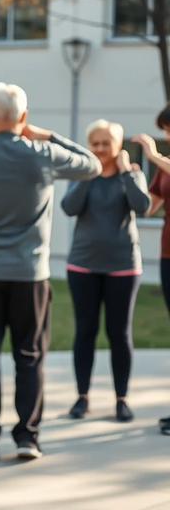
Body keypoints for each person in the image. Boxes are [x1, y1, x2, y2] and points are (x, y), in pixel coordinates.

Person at [0, 82, 101, 462]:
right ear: (24, 118)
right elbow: (91, 164)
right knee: (30, 355)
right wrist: (48, 135)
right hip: (30, 275)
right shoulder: (43, 154)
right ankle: (28, 437)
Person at [62, 120, 150, 423]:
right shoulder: (81, 175)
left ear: (118, 146)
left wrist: (127, 172)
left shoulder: (132, 175)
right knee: (85, 331)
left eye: (106, 143)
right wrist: (89, 173)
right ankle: (82, 397)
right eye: (95, 143)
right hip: (83, 265)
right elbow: (69, 208)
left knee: (119, 334)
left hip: (123, 267)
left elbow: (143, 205)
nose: (100, 149)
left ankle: (121, 399)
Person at [132, 102, 170, 434]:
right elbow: (149, 206)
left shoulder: (166, 162)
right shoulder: (165, 168)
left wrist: (152, 152)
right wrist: (130, 181)